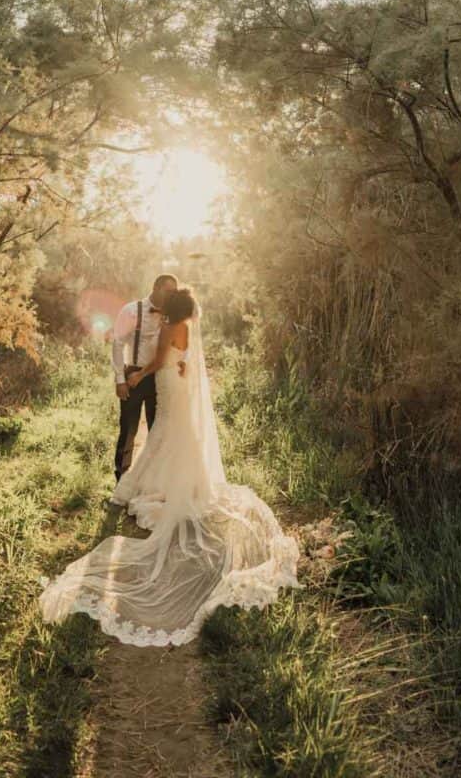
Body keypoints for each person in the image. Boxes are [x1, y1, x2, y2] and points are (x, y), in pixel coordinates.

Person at [38, 288, 303, 646]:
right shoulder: (188, 327)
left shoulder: (168, 327)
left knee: (161, 432)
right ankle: (174, 482)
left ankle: (136, 486)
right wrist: (177, 364)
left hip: (166, 382)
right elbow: (184, 358)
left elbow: (160, 360)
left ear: (172, 308)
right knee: (173, 433)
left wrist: (137, 376)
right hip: (181, 384)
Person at [110, 273, 181, 482]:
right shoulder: (131, 310)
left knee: (157, 429)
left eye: (174, 292)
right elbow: (117, 343)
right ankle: (121, 478)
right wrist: (120, 379)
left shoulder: (172, 315)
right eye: (168, 291)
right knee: (128, 429)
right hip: (133, 375)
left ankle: (153, 479)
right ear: (156, 287)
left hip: (160, 377)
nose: (171, 296)